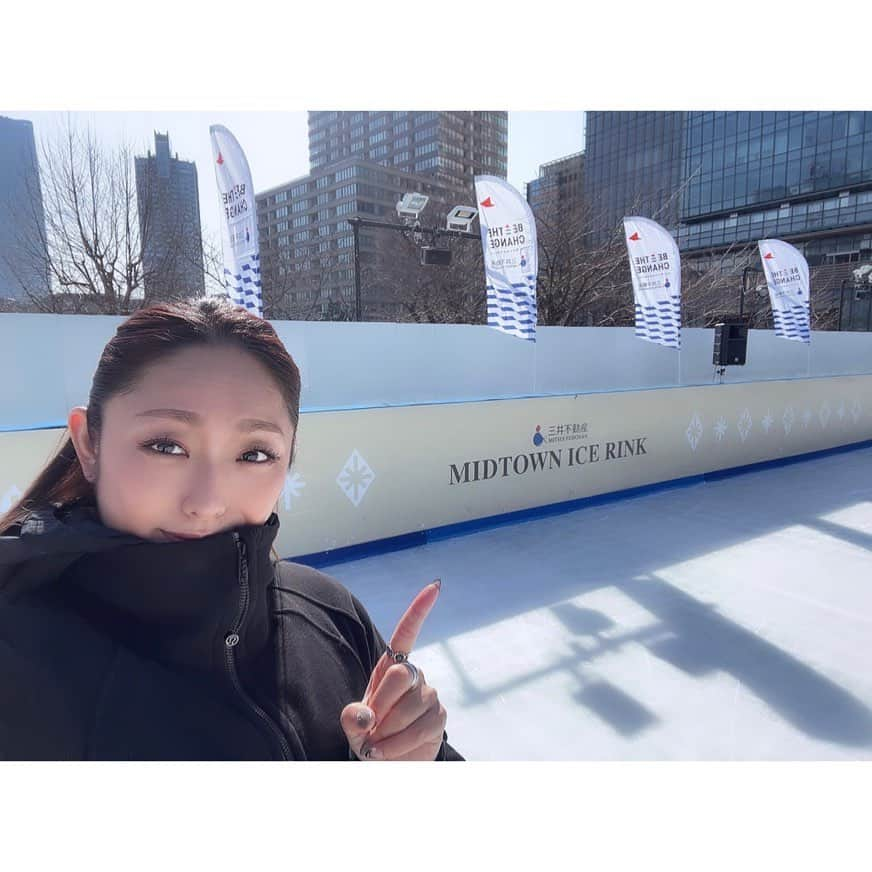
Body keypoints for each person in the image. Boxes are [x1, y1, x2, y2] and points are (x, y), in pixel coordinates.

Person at [0, 298, 462, 761]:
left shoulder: (329, 612)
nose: (207, 503)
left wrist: (419, 758)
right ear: (89, 443)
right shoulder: (19, 668)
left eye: (255, 454)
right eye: (166, 446)